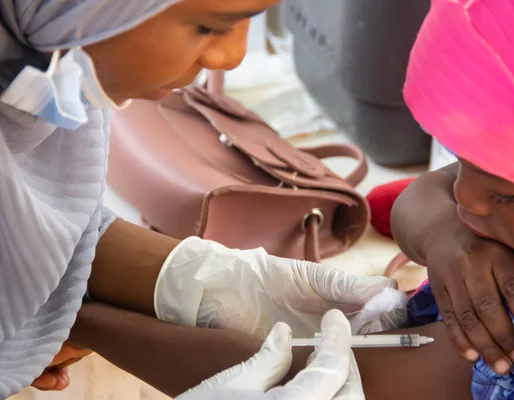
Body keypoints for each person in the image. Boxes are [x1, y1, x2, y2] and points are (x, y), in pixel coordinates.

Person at [58, 0, 514, 398]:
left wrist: (71, 323)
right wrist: (444, 234)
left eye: (506, 194)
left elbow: (317, 376)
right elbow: (419, 197)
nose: (467, 198)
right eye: (462, 164)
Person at [0, 1, 408, 398]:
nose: (231, 58)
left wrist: (212, 279)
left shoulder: (54, 70)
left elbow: (24, 229)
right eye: (211, 26)